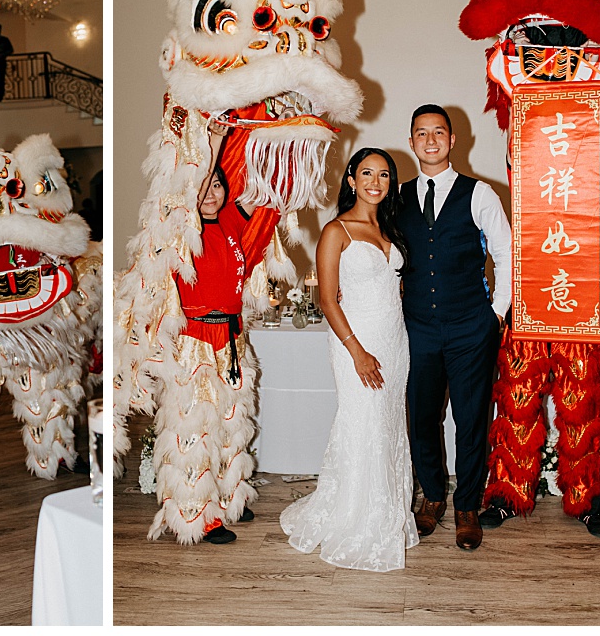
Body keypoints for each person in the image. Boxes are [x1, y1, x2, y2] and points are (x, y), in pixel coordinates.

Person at [280, 148, 419, 571]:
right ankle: (358, 520)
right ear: (352, 181)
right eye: (366, 174)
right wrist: (357, 351)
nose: (375, 182)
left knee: (390, 422)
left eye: (383, 175)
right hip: (355, 344)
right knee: (364, 422)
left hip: (395, 341)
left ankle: (389, 513)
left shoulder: (392, 229)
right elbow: (326, 298)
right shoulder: (336, 230)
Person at [398, 104, 512, 551]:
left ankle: (467, 505)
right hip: (418, 329)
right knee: (422, 419)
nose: (430, 140)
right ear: (411, 142)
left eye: (438, 132)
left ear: (452, 140)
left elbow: (505, 255)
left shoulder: (479, 193)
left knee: (470, 420)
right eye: (421, 133)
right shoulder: (397, 196)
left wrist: (495, 314)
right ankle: (432, 496)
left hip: (470, 327)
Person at [151, 160, 269, 545]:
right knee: (194, 432)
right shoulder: (181, 232)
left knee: (232, 425)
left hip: (231, 341)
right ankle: (198, 517)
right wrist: (213, 139)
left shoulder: (233, 222)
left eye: (217, 185)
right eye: (201, 187)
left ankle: (231, 499)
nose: (210, 194)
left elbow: (265, 194)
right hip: (193, 343)